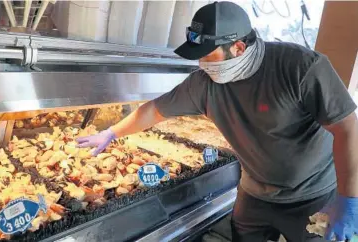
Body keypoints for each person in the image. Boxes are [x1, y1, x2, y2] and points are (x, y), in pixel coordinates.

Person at [76, 2, 358, 241]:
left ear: (237, 47)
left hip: (312, 195)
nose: (201, 64)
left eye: (207, 55)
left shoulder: (300, 68)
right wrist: (111, 132)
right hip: (254, 193)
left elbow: (347, 128)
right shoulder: (204, 84)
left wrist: (349, 199)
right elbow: (154, 111)